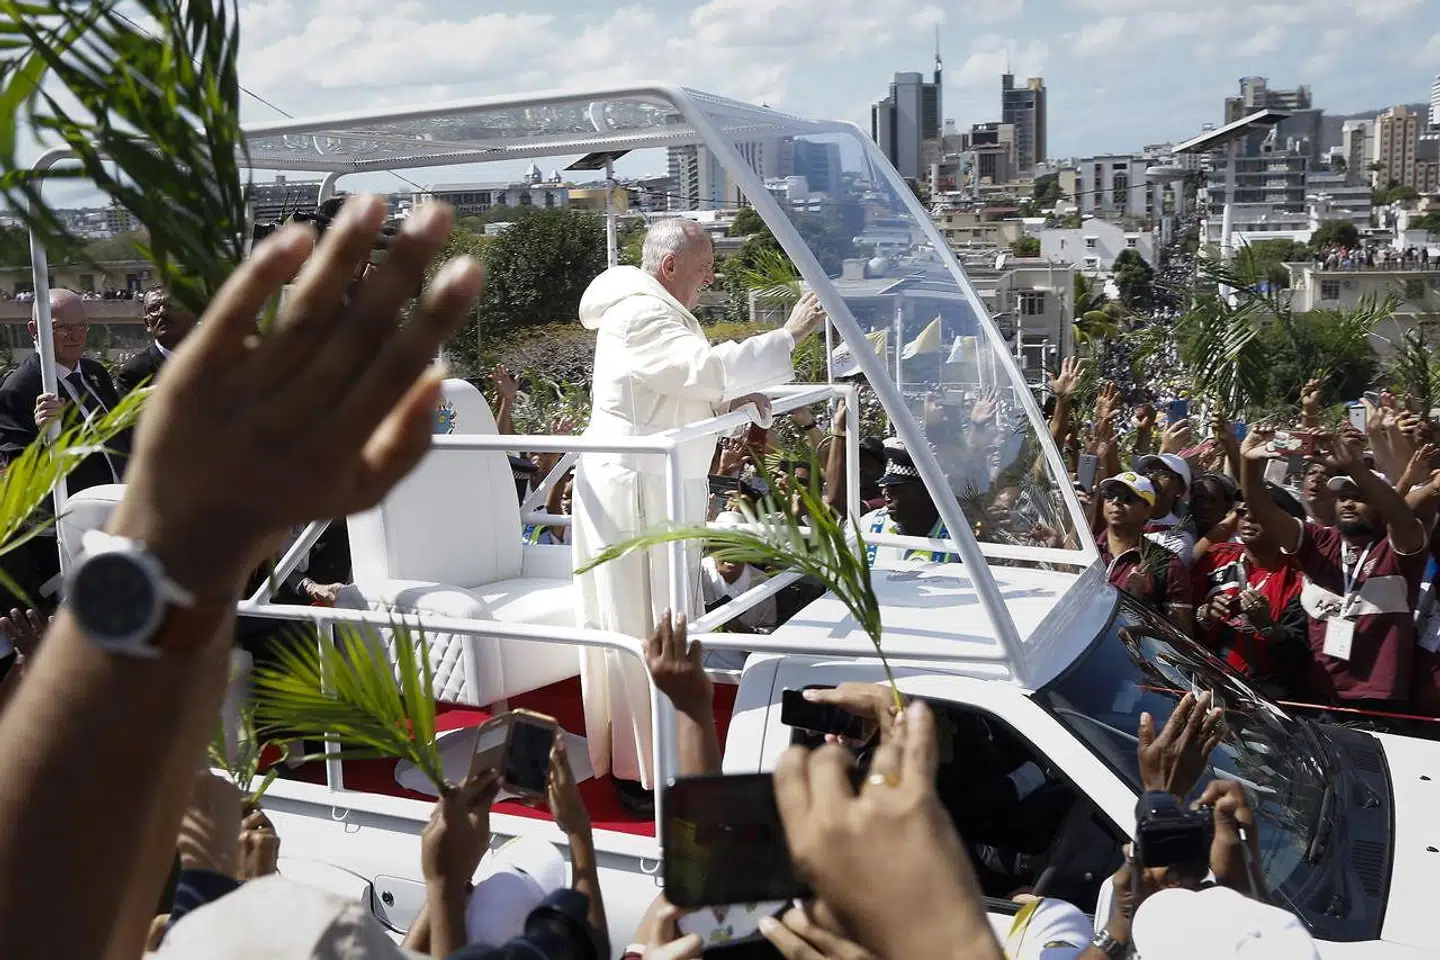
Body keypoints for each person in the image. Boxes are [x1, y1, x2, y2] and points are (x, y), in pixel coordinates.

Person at [570, 217, 824, 807]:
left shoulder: (653, 309)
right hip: (634, 488)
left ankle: (662, 757)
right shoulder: (640, 313)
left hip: (657, 484)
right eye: (704, 267)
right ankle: (641, 774)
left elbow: (678, 382)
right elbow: (699, 368)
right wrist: (788, 334)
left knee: (665, 619)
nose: (710, 278)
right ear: (668, 267)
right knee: (638, 624)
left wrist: (730, 399)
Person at [1240, 427, 1427, 712]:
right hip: (1316, 695)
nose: (1348, 503)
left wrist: (1353, 466)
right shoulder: (1319, 542)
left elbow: (1400, 512)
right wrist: (1250, 464)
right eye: (1342, 497)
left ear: (1380, 505)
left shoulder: (1399, 547)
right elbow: (1264, 512)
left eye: (1360, 497)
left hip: (1377, 704)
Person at [0, 288, 129, 610]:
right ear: (35, 330)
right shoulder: (21, 388)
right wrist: (45, 436)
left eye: (82, 326)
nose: (75, 336)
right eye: (61, 327)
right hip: (77, 526)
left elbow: (119, 436)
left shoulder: (95, 374)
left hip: (124, 508)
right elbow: (19, 472)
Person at [1193, 492, 1309, 698]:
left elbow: (1298, 651)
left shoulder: (1298, 581)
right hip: (1201, 681)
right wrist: (1205, 614)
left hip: (1261, 696)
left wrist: (1267, 626)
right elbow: (1177, 611)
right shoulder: (1215, 557)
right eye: (1243, 511)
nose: (1248, 517)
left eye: (1259, 512)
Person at [1095, 472, 1193, 636]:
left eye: (1127, 498)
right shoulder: (1086, 551)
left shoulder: (1168, 565)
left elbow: (1181, 636)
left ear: (1148, 510)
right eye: (1110, 495)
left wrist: (1139, 602)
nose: (1116, 502)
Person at [858, 441, 957, 565]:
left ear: (926, 489)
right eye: (884, 486)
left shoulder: (958, 537)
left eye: (894, 487)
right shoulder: (867, 528)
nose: (886, 494)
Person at [117, 286, 198, 395]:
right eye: (154, 309)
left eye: (171, 305)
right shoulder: (134, 372)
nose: (162, 312)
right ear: (147, 323)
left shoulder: (217, 361)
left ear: (192, 315)